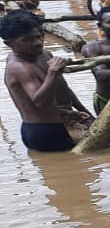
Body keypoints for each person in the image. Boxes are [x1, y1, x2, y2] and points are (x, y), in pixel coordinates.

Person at [2, 9, 93, 152]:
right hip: (43, 131)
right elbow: (39, 101)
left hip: (60, 124)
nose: (37, 43)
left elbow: (63, 88)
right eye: (27, 40)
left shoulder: (44, 54)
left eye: (39, 37)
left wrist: (83, 112)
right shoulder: (19, 67)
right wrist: (52, 72)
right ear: (9, 44)